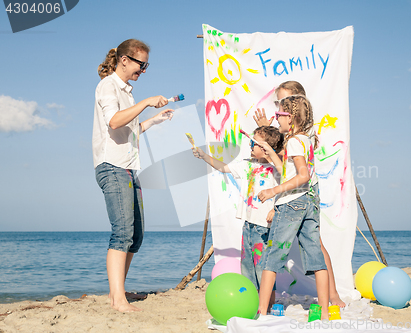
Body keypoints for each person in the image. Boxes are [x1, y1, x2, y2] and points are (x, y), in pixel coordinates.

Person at [93, 39, 174, 312]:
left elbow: (130, 129)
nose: (144, 70)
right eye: (141, 64)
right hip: (112, 166)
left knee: (135, 235)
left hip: (128, 167)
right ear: (124, 60)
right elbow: (114, 121)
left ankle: (118, 292)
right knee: (122, 233)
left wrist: (155, 119)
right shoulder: (108, 86)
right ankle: (117, 299)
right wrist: (146, 102)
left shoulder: (127, 92)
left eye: (146, 64)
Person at [254, 81, 345, 307]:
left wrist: (276, 195)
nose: (277, 110)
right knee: (315, 250)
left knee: (281, 255)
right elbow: (286, 164)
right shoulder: (304, 135)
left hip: (298, 195)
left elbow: (295, 169)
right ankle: (328, 304)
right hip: (305, 196)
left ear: (293, 108)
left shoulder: (296, 138)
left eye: (281, 106)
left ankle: (263, 310)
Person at [192, 126, 283, 310]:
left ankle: (269, 303)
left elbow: (286, 188)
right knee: (247, 266)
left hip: (264, 226)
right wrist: (203, 155)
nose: (250, 145)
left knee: (263, 267)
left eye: (254, 143)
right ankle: (251, 301)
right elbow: (224, 167)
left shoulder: (277, 168)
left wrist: (276, 209)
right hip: (248, 224)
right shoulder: (248, 164)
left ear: (265, 147)